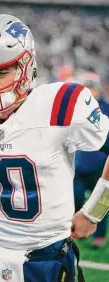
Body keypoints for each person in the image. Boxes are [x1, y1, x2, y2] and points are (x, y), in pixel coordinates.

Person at [0, 14, 109, 282]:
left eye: (1, 71)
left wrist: (94, 211)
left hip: (45, 253)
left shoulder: (63, 104)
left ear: (27, 66)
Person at [73, 72, 109, 248]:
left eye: (92, 88)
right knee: (75, 197)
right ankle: (78, 228)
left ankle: (99, 236)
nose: (90, 91)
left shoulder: (106, 108)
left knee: (101, 200)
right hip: (79, 165)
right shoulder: (76, 108)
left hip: (100, 166)